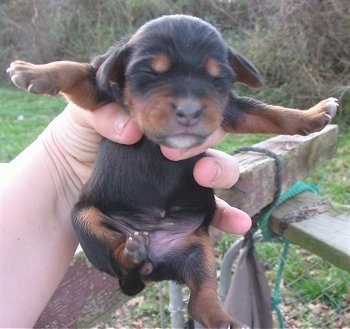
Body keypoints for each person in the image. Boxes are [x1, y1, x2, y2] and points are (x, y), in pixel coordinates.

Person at [0, 102, 251, 328]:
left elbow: (243, 112)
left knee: (199, 241)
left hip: (169, 221)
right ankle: (125, 254)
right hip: (118, 217)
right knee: (84, 215)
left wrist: (61, 160)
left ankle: (206, 301)